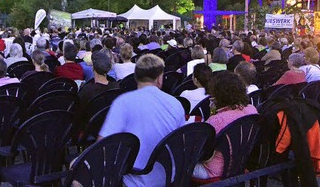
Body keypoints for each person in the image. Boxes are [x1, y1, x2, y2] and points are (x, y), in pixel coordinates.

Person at [99, 54, 185, 185]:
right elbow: (181, 143)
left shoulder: (123, 102)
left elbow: (103, 145)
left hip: (133, 180)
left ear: (135, 77)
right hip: (169, 178)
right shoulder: (176, 103)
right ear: (159, 79)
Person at [192, 71, 258, 179]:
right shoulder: (252, 110)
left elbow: (200, 152)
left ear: (217, 95)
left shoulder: (216, 121)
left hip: (214, 172)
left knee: (180, 164)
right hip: (240, 164)